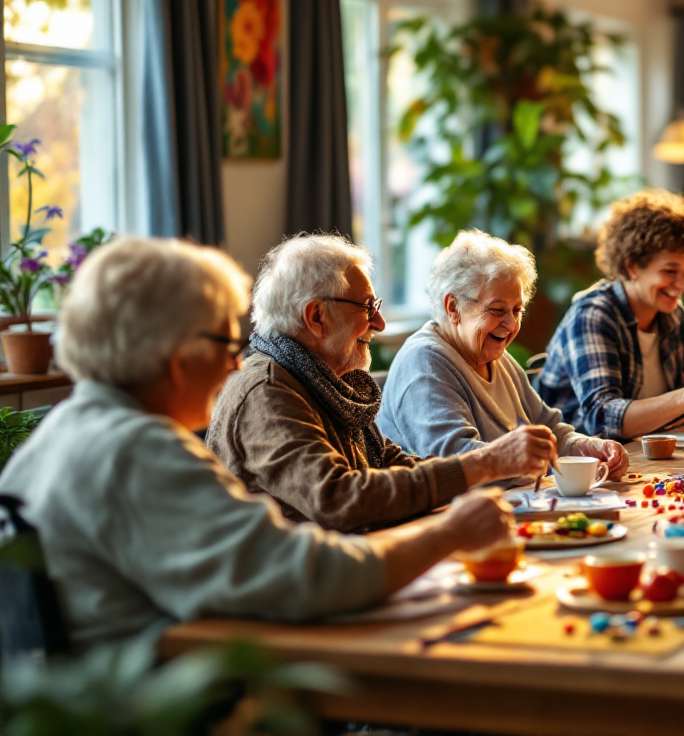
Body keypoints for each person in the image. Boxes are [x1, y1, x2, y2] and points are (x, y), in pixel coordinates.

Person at [0, 238, 513, 654]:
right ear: (177, 358)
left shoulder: (59, 436)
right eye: (226, 346)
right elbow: (308, 576)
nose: (233, 365)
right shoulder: (138, 451)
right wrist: (451, 531)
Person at [210, 235, 536, 533]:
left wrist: (475, 475)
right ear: (317, 317)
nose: (379, 323)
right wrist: (485, 463)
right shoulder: (267, 393)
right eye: (367, 307)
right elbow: (339, 500)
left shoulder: (328, 380)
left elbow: (393, 464)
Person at [378, 230, 629, 478]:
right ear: (453, 307)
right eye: (497, 310)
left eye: (517, 310)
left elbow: (550, 430)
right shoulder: (424, 364)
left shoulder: (495, 355)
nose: (510, 324)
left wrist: (589, 446)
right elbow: (454, 466)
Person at [537, 191, 684, 439]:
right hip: (578, 469)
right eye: (670, 271)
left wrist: (677, 425)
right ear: (631, 266)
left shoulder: (672, 315)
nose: (682, 283)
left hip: (643, 458)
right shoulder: (592, 315)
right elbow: (603, 420)